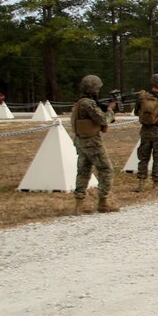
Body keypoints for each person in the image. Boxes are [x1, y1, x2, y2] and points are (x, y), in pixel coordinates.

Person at [70, 74, 119, 214]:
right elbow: (103, 120)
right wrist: (110, 109)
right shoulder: (88, 104)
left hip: (81, 141)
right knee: (106, 169)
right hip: (92, 142)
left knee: (83, 172)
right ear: (93, 89)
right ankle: (103, 202)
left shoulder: (79, 103)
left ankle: (79, 204)